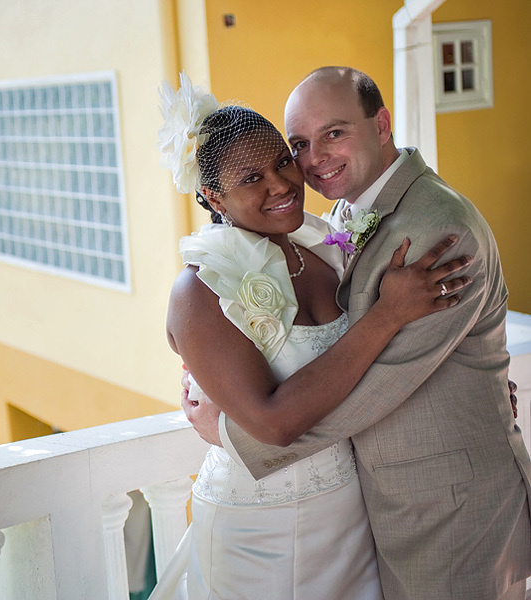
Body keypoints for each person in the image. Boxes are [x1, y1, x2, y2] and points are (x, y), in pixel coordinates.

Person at [183, 67, 531, 600]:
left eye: (334, 133)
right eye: (300, 143)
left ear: (382, 125)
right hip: (354, 510)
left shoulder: (438, 227)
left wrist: (237, 434)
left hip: (448, 504)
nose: (312, 159)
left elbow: (384, 379)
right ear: (214, 195)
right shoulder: (338, 220)